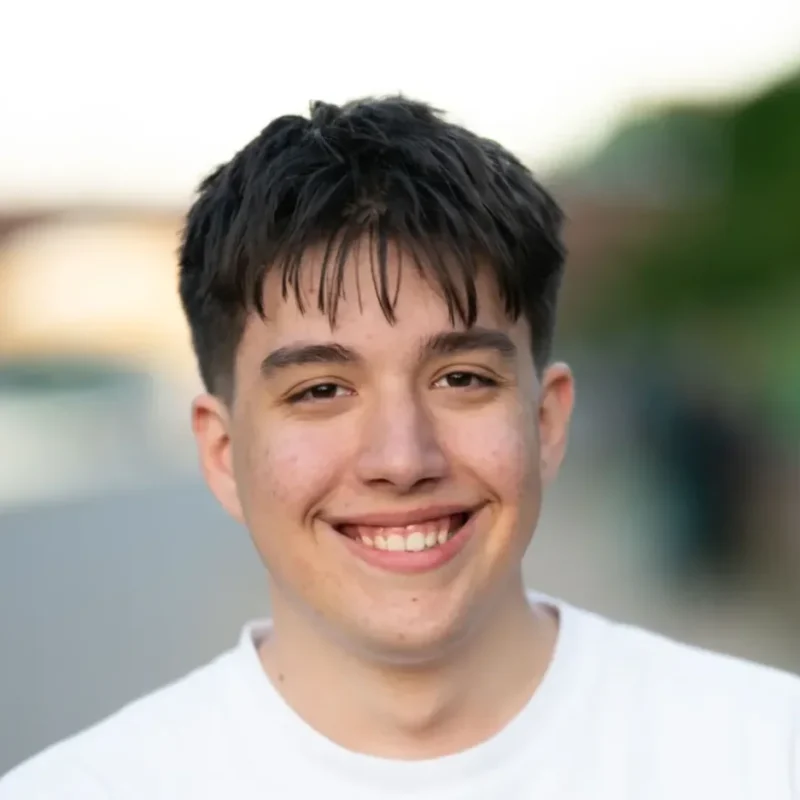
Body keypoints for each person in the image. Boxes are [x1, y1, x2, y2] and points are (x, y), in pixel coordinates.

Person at [1, 96, 798, 800]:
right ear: (221, 453)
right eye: (321, 390)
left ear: (546, 423)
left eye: (461, 379)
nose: (402, 458)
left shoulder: (767, 753)